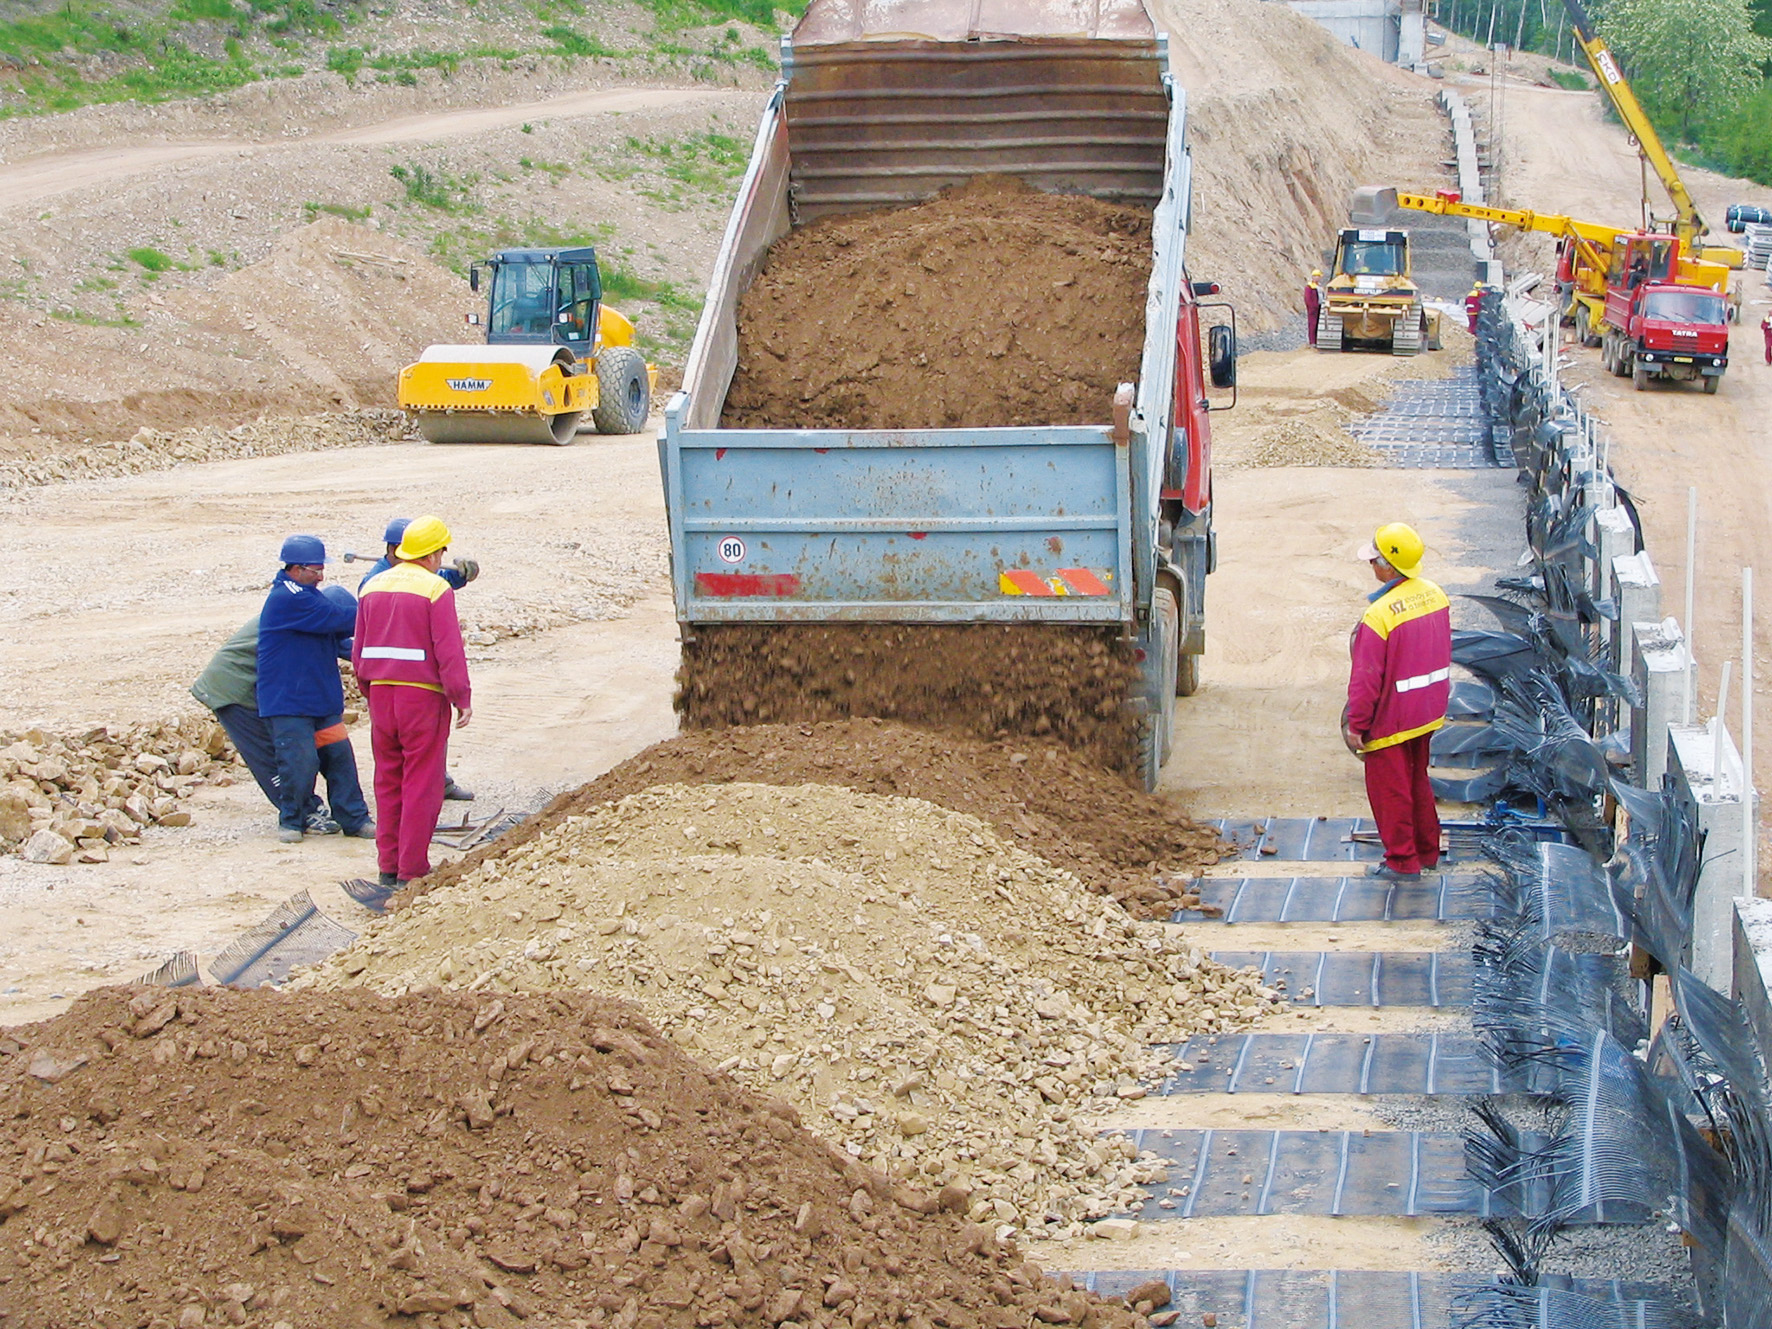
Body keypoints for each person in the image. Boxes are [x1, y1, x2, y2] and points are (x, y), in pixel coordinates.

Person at [353, 515, 473, 888]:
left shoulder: (371, 587)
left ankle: (388, 865)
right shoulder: (435, 589)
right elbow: (448, 651)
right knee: (423, 781)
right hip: (421, 697)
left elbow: (359, 652)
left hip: (382, 695)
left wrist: (370, 691)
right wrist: (461, 697)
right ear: (435, 553)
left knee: (387, 780)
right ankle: (412, 869)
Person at [190, 585, 357, 827]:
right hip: (234, 691)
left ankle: (308, 807)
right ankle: (301, 814)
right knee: (273, 755)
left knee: (295, 750)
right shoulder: (302, 619)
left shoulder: (309, 616)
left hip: (258, 688)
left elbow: (347, 647)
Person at [1341, 522, 1452, 884]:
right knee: (1417, 780)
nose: (1371, 567)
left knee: (1391, 791)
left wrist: (1357, 725)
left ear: (1390, 567)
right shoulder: (1435, 595)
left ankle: (1403, 861)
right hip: (1427, 710)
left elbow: (1366, 680)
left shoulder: (1380, 616)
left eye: (1374, 561)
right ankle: (1427, 851)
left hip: (1391, 719)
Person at [257, 535, 375, 845]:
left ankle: (354, 819)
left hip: (320, 703)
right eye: (316, 569)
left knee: (339, 759)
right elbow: (341, 619)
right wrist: (382, 603)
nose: (321, 576)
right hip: (288, 703)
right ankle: (292, 821)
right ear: (296, 569)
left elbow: (338, 639)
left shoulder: (309, 598)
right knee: (299, 762)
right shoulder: (290, 598)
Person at [361, 517, 479, 801]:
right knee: (411, 764)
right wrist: (459, 695)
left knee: (419, 757)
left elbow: (443, 578)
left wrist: (465, 573)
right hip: (410, 683)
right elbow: (448, 650)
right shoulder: (374, 582)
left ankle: (437, 783)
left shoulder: (418, 577)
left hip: (386, 688)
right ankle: (420, 803)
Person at [1304, 269, 1322, 346]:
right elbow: (1307, 298)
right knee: (1312, 324)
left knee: (1318, 324)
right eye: (1315, 276)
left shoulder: (1319, 286)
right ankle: (1312, 341)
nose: (1316, 278)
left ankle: (1317, 340)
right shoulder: (1309, 287)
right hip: (1313, 308)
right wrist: (1312, 307)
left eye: (1318, 276)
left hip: (1320, 307)